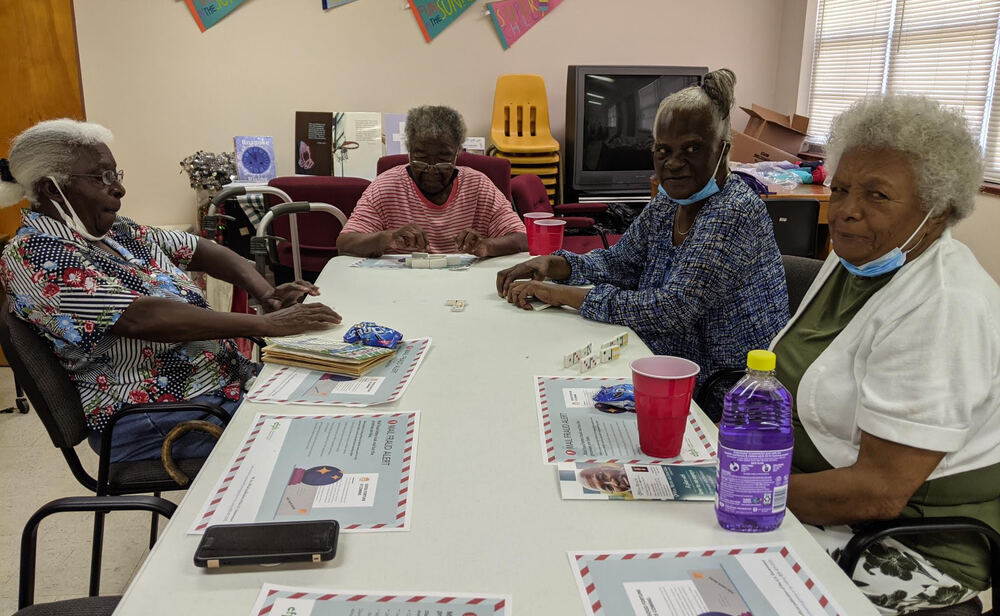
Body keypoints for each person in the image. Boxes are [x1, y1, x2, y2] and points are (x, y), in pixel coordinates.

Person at [771, 94, 1000, 616]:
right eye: (843, 187)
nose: (847, 209)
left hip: (908, 540)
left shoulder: (944, 305)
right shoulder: (857, 257)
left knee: (718, 570)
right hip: (818, 495)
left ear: (938, 209)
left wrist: (744, 485)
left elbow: (879, 492)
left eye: (877, 195)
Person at [0, 119, 341, 463]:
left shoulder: (113, 231)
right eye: (102, 177)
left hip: (214, 390)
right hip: (152, 416)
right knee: (318, 441)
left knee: (339, 399)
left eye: (117, 175)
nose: (118, 188)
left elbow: (200, 250)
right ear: (50, 188)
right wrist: (266, 324)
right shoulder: (36, 254)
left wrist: (266, 295)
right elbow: (142, 318)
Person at [497, 69, 788, 413]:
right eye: (663, 150)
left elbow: (672, 309)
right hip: (668, 363)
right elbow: (621, 262)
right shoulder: (669, 201)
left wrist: (560, 294)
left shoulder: (734, 211)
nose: (675, 163)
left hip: (726, 392)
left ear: (722, 148)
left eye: (692, 148)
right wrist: (555, 264)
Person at [337, 105, 527, 258]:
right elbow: (345, 243)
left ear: (457, 154)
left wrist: (486, 246)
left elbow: (523, 239)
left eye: (443, 160)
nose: (431, 169)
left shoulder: (477, 186)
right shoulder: (386, 186)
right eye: (421, 158)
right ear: (409, 153)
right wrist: (388, 238)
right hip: (400, 287)